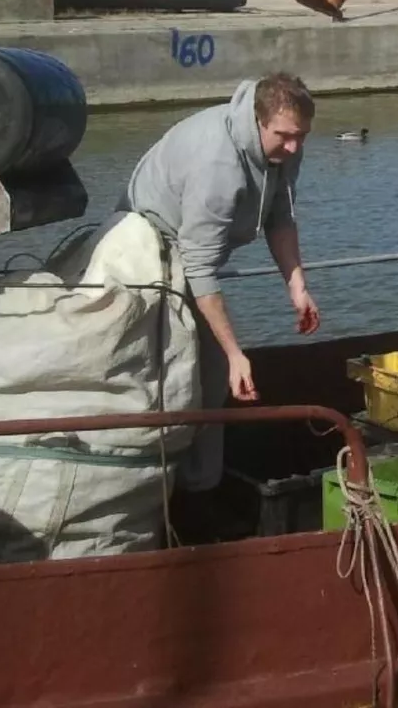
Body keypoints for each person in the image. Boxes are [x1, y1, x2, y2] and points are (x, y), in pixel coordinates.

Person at [118, 72, 320, 492]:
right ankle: (166, 490)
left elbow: (280, 215)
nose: (294, 147)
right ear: (259, 121)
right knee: (194, 371)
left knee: (209, 380)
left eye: (301, 136)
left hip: (195, 253)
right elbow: (200, 268)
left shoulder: (284, 148)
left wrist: (297, 285)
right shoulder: (219, 166)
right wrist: (235, 354)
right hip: (149, 249)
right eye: (284, 136)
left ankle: (200, 486)